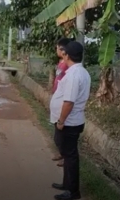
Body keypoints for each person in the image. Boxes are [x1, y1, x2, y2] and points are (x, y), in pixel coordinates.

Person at [50, 41, 91, 200]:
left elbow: (69, 102)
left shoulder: (74, 75)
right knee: (68, 155)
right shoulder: (80, 72)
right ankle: (67, 185)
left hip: (69, 122)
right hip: (72, 121)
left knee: (71, 156)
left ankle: (73, 192)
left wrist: (61, 121)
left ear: (66, 55)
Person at [51, 38, 71, 168]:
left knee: (61, 134)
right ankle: (61, 153)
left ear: (63, 50)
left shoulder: (68, 66)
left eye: (58, 47)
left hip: (63, 101)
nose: (56, 50)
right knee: (57, 132)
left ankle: (65, 156)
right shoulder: (61, 63)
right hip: (57, 98)